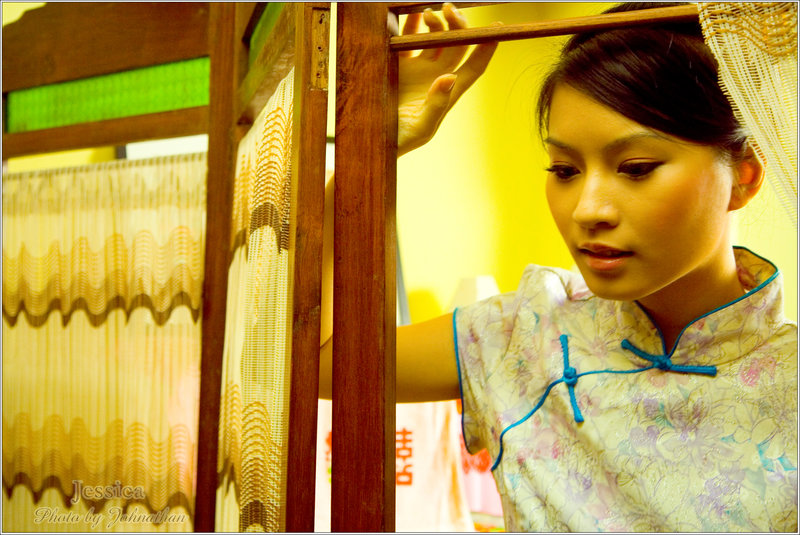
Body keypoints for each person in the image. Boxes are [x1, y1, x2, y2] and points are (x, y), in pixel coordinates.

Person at [320, 2, 797, 531]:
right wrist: (373, 146)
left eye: (636, 168)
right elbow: (314, 360)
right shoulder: (522, 337)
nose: (588, 210)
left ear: (744, 176)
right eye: (565, 170)